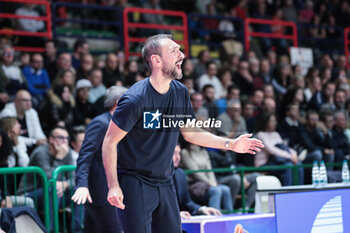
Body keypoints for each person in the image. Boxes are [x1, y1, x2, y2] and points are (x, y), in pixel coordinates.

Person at [102, 34, 263, 233]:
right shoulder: (135, 99)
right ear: (156, 60)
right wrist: (113, 186)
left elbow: (191, 133)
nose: (182, 55)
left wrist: (230, 144)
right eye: (174, 51)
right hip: (135, 183)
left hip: (165, 181)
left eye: (180, 50)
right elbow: (109, 142)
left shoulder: (180, 92)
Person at [71, 86, 127, 233]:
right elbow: (85, 156)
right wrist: (82, 184)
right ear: (118, 102)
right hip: (100, 191)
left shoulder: (119, 124)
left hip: (109, 190)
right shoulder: (101, 123)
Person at [172, 144, 221, 219]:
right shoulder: (155, 176)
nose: (178, 157)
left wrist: (202, 209)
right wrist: (174, 214)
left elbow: (187, 202)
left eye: (179, 153)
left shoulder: (180, 173)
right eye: (174, 153)